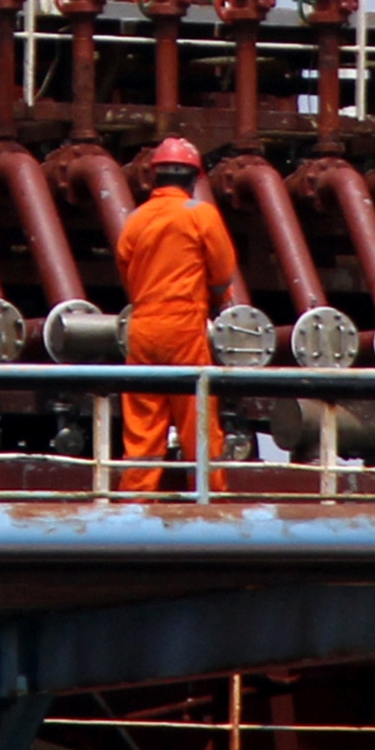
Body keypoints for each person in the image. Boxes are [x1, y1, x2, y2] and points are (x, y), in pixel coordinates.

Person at [115, 135, 241, 492]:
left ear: (153, 177)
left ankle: (135, 503)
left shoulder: (136, 219)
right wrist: (218, 299)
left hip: (142, 329)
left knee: (142, 423)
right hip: (183, 327)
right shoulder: (200, 214)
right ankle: (208, 497)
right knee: (196, 416)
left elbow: (127, 271)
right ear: (194, 178)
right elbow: (222, 270)